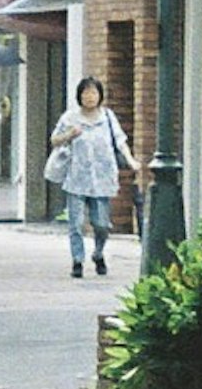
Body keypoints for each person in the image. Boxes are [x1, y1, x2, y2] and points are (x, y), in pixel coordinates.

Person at [47, 77, 136, 281]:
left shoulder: (108, 117)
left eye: (94, 93)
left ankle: (98, 253)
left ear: (100, 96)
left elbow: (120, 141)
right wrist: (69, 134)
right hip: (77, 177)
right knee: (76, 223)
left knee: (101, 224)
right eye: (86, 93)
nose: (90, 97)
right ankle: (77, 261)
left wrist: (131, 160)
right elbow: (54, 140)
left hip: (102, 177)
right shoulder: (70, 117)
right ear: (79, 95)